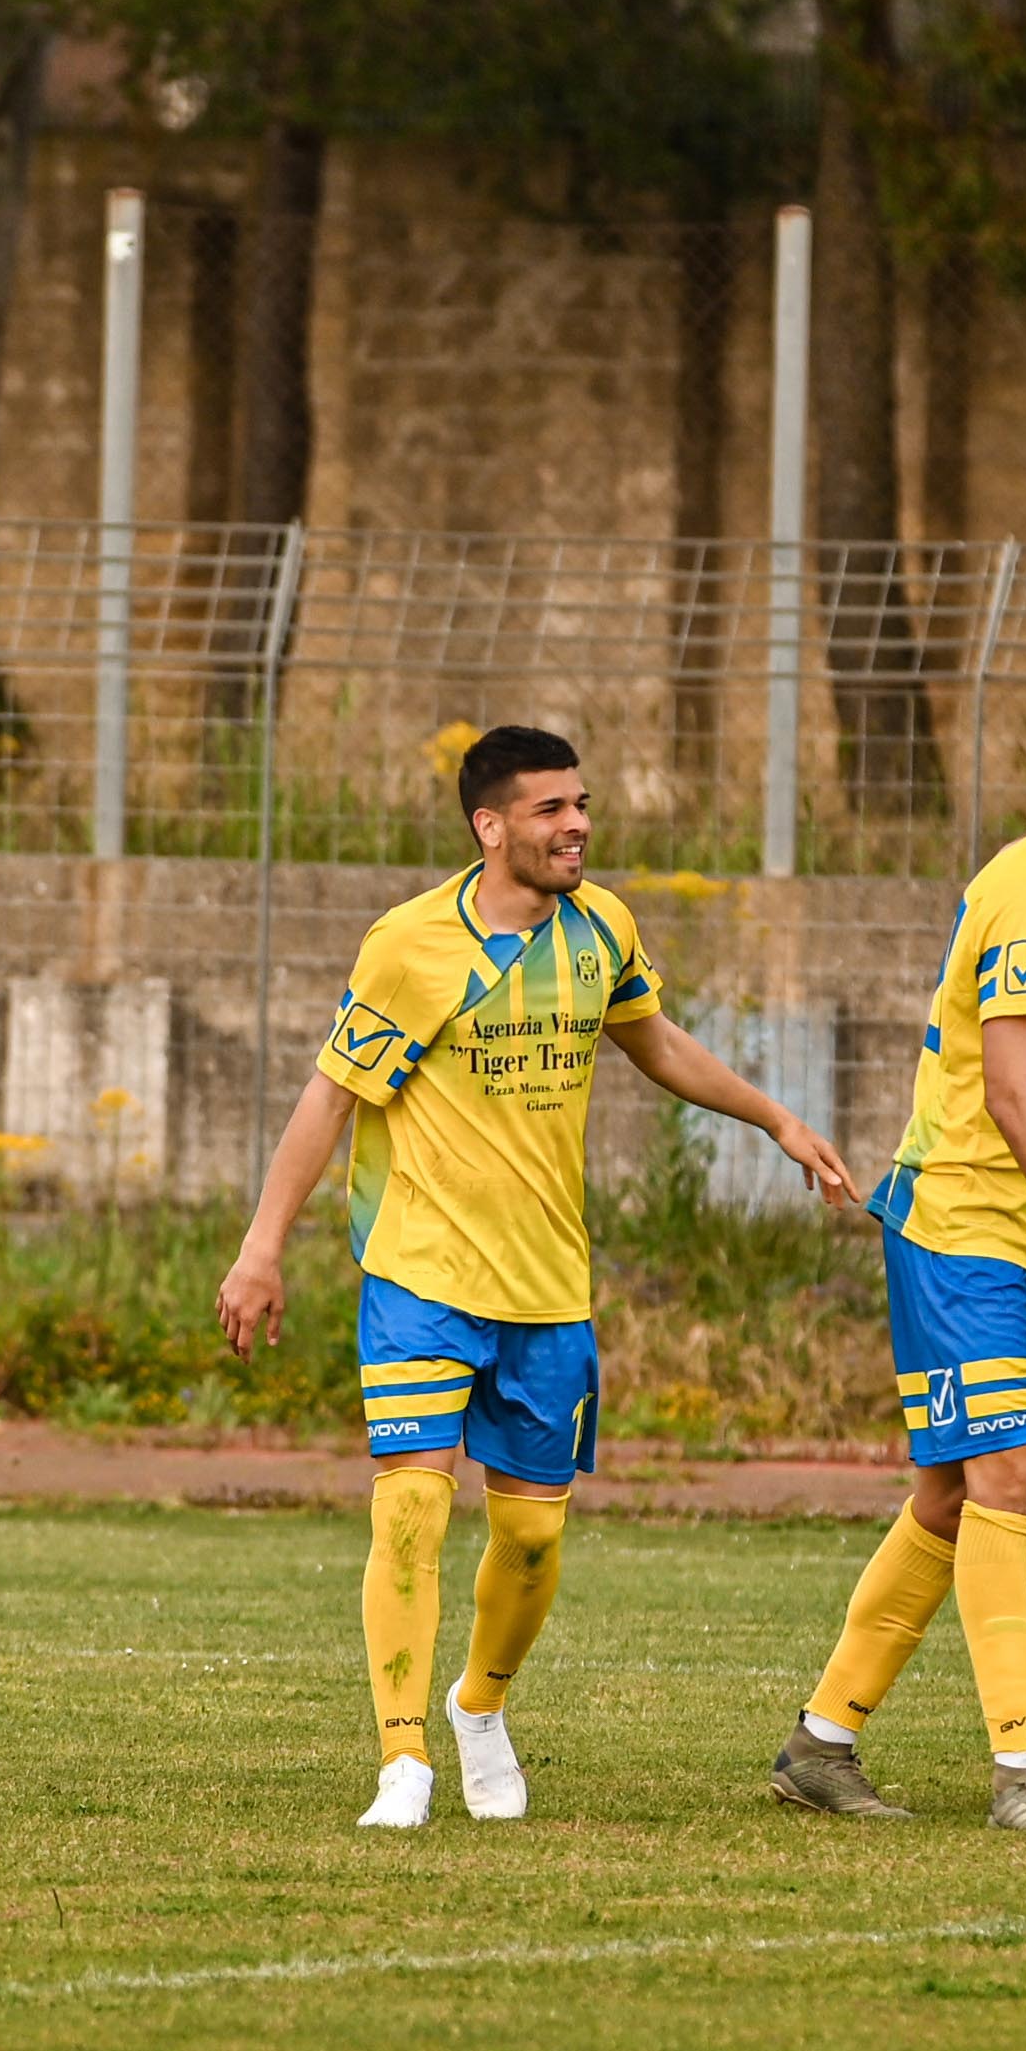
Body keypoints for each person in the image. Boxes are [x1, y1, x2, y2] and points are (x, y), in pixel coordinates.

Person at [215, 726, 852, 1827]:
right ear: (490, 825)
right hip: (419, 1273)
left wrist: (776, 1119)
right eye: (552, 809)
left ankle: (479, 1707)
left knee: (532, 1536)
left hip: (549, 1287)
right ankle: (403, 1761)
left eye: (582, 804)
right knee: (412, 1509)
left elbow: (656, 1042)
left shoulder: (602, 927)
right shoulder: (411, 944)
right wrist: (261, 1246)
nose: (578, 826)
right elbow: (332, 1096)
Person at [771, 682, 1026, 1829]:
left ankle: (821, 1741)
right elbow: (1010, 1088)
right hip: (964, 1229)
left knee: (957, 1496)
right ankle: (1020, 1772)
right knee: (1010, 1478)